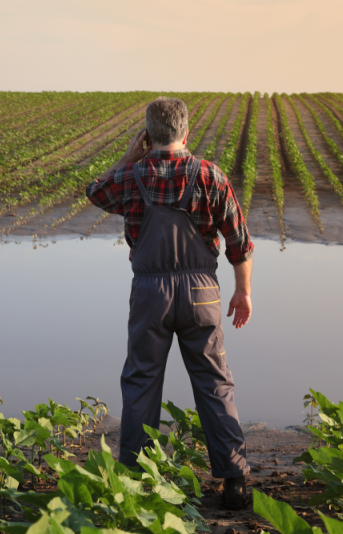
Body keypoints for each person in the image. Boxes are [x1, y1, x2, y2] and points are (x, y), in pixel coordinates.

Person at [84, 96, 255, 510]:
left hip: (149, 293)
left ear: (147, 134)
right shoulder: (211, 175)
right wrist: (243, 291)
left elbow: (95, 193)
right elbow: (239, 242)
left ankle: (136, 478)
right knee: (214, 382)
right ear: (186, 131)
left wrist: (127, 156)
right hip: (202, 292)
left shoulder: (131, 175)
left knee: (141, 380)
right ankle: (233, 482)